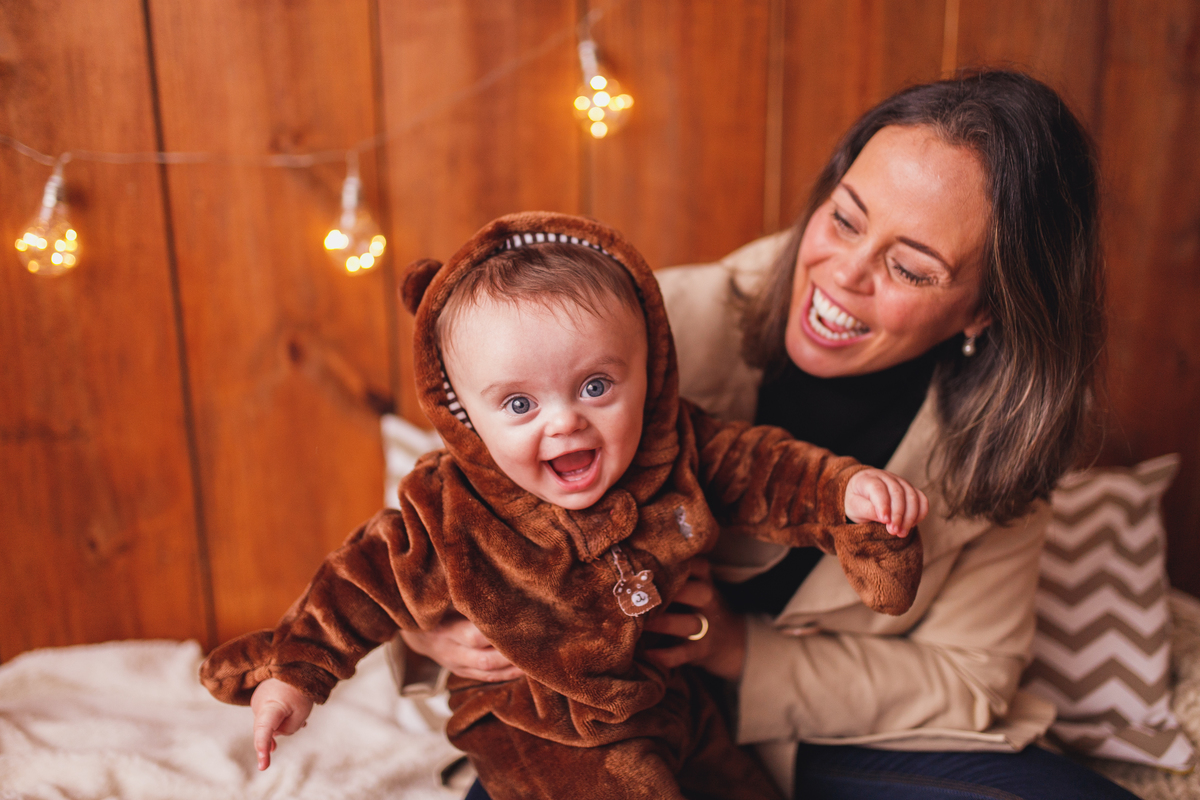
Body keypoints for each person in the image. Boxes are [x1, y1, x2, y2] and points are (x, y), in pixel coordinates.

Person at [403, 73, 1139, 800]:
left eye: (910, 269)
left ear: (987, 309)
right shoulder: (653, 331)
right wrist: (429, 632)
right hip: (597, 715)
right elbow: (455, 495)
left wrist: (736, 648)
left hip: (821, 733)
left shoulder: (1007, 435)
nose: (844, 274)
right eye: (844, 219)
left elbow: (968, 676)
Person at [199, 211, 931, 800]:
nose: (565, 422)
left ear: (649, 372)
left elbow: (767, 471)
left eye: (596, 386)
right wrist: (295, 675)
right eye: (519, 404)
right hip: (542, 726)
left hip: (670, 697)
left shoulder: (676, 448)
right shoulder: (449, 509)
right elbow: (355, 587)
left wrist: (846, 495)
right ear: (465, 415)